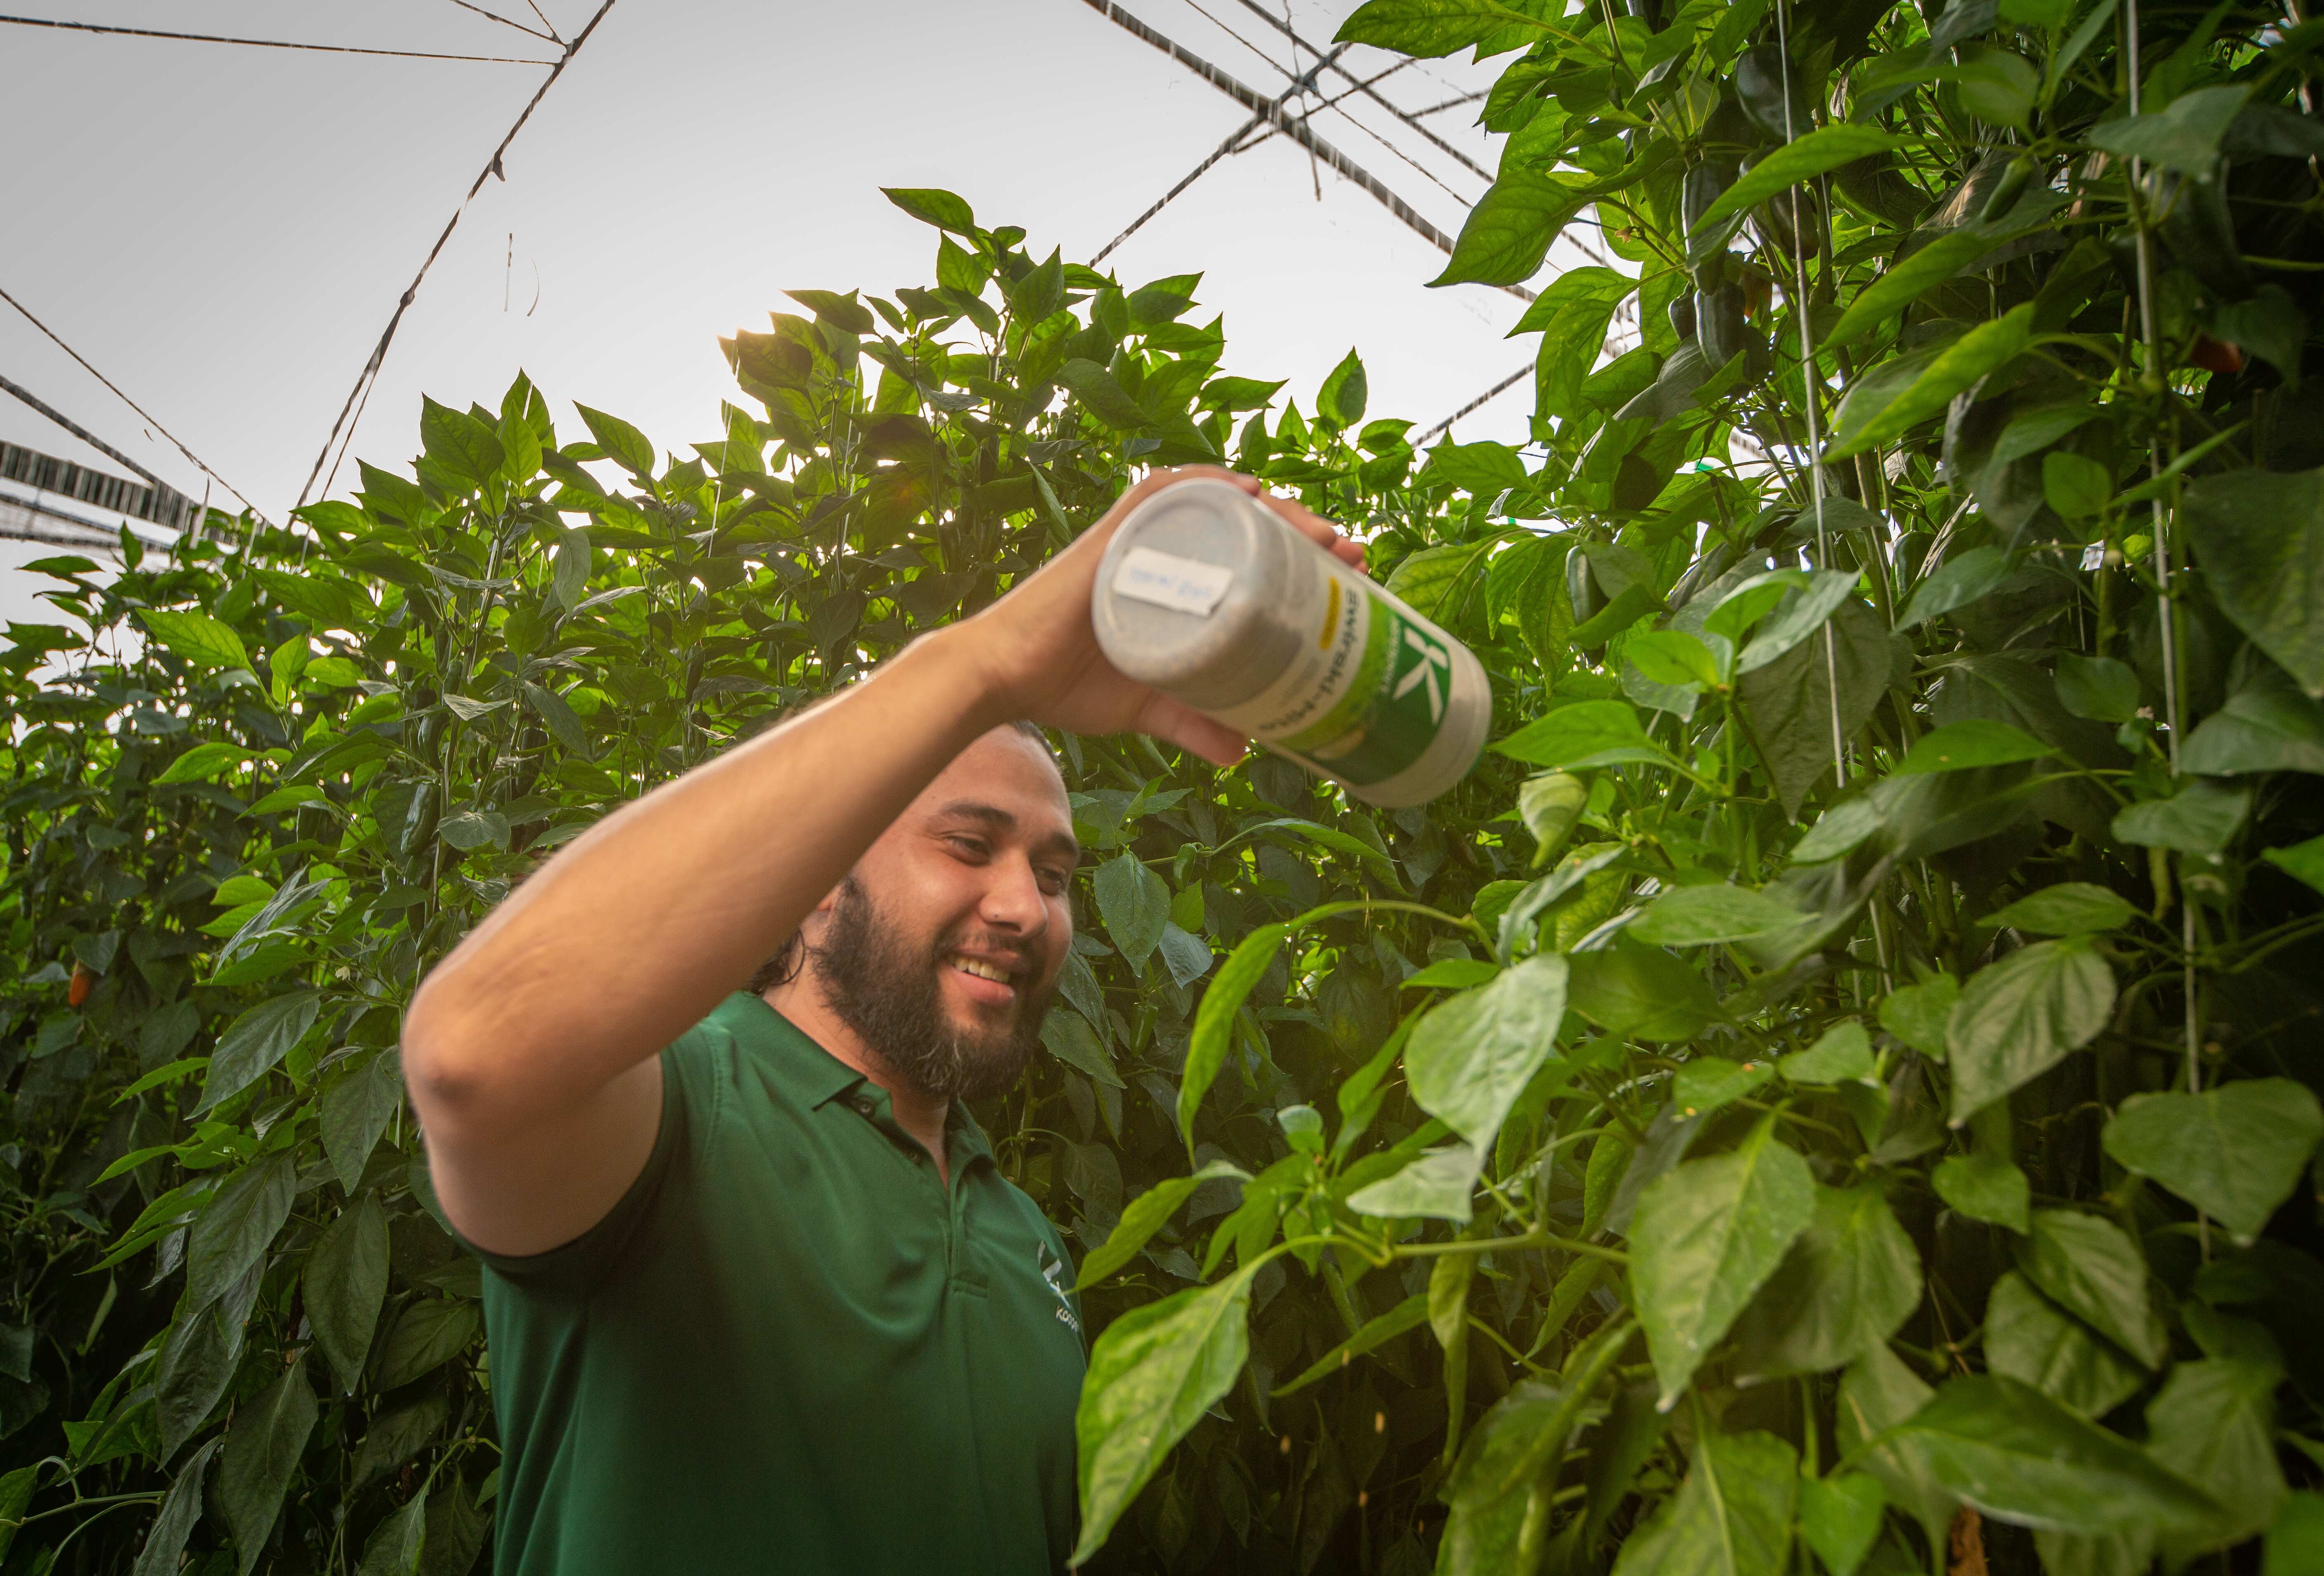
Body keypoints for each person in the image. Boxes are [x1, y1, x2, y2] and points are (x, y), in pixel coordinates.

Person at [401, 467, 1367, 1574]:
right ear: (813, 878)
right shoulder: (675, 1115)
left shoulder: (1025, 1240)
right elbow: (471, 1050)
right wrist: (985, 661)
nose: (1025, 906)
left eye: (1054, 874)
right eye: (968, 844)